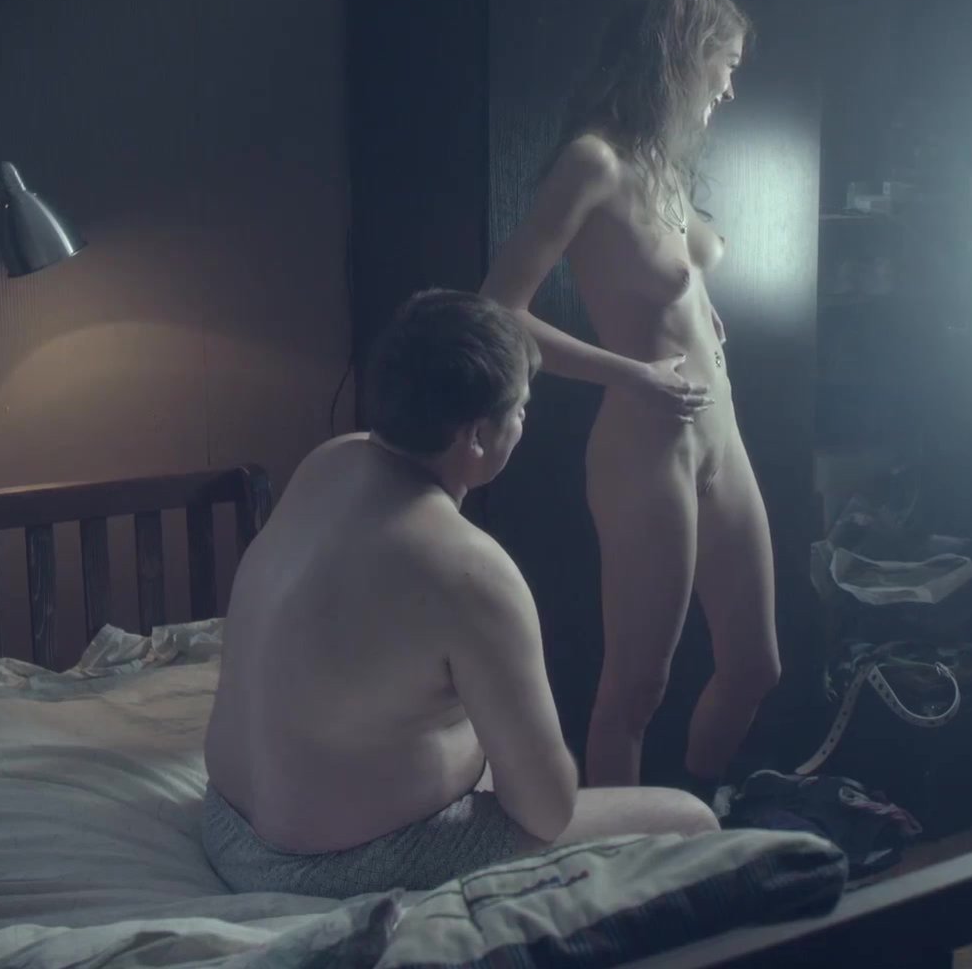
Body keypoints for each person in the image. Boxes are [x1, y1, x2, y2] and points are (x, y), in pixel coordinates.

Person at [201, 290, 717, 898]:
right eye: (519, 410)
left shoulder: (330, 461)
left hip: (227, 826)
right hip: (332, 865)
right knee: (691, 820)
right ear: (475, 436)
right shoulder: (470, 569)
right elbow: (547, 812)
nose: (523, 425)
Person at [480, 0, 781, 796]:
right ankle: (627, 853)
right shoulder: (593, 162)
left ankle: (704, 813)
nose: (729, 88)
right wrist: (634, 373)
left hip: (722, 434)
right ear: (682, 55)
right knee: (637, 688)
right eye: (725, 66)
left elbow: (669, 275)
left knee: (755, 666)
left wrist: (698, 308)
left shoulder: (665, 165)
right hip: (647, 447)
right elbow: (497, 308)